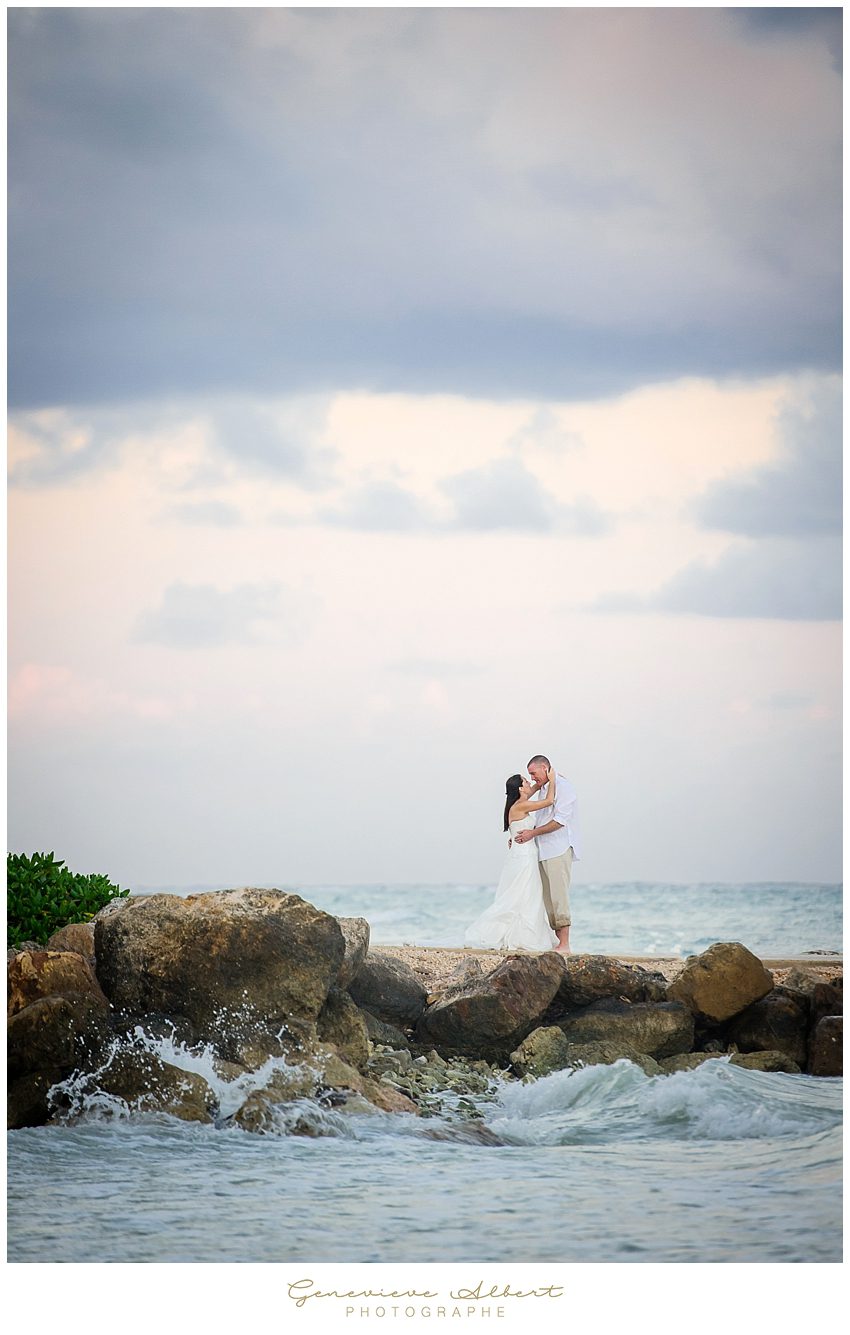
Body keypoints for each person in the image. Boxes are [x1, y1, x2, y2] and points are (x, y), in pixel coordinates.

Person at [464, 767, 560, 952]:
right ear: (520, 789)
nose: (529, 783)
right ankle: (520, 936)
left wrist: (542, 779)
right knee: (523, 895)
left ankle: (522, 934)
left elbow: (533, 789)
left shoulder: (518, 803)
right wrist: (553, 779)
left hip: (521, 855)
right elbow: (549, 801)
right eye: (526, 781)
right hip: (524, 858)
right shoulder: (521, 806)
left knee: (524, 896)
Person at [513, 754, 580, 955]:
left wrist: (531, 833)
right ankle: (558, 943)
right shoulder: (544, 787)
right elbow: (536, 814)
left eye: (533, 773)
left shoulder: (564, 787)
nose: (532, 778)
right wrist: (519, 833)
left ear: (545, 768)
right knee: (549, 899)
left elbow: (559, 821)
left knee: (559, 896)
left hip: (558, 848)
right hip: (543, 849)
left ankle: (565, 944)